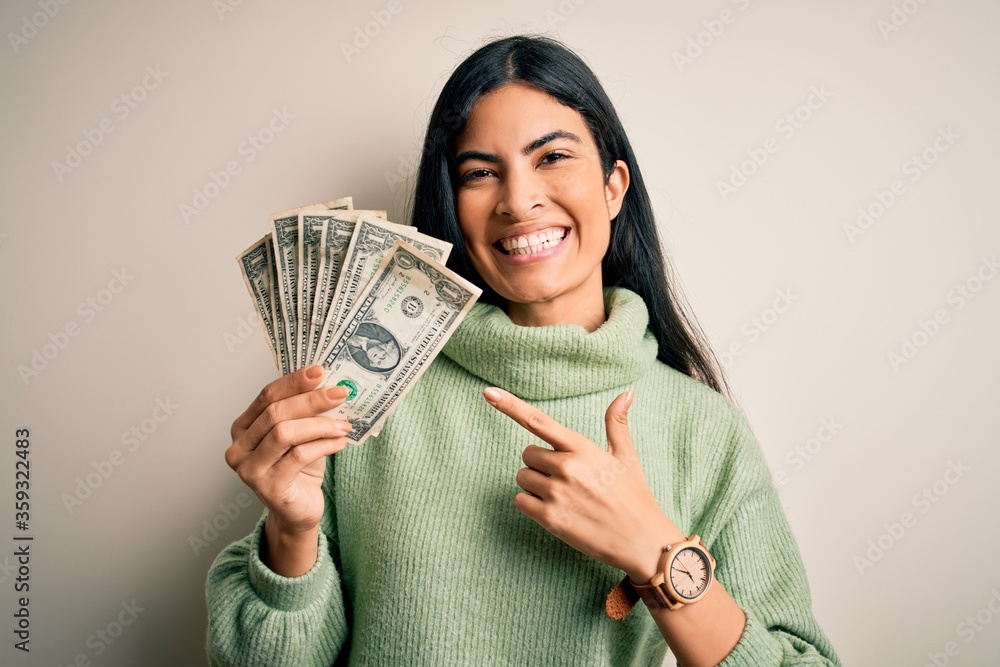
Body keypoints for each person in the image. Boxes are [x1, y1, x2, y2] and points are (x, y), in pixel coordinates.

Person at [206, 35, 842, 666]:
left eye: (553, 156)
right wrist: (291, 534)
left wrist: (655, 551)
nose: (517, 200)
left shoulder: (703, 428)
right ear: (454, 206)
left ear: (614, 187)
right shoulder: (363, 395)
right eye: (480, 172)